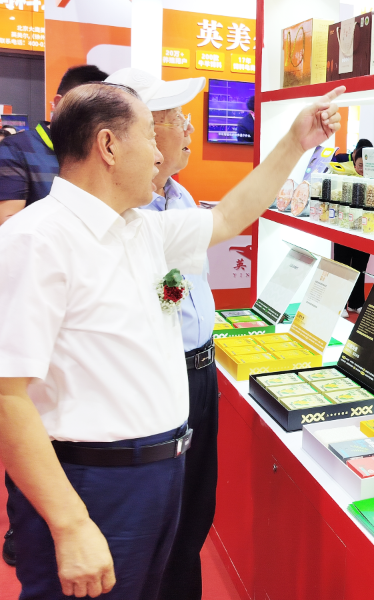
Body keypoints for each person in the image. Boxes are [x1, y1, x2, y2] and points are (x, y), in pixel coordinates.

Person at [0, 81, 344, 600]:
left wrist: (295, 143)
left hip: (158, 472)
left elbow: (228, 217)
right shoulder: (36, 242)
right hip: (92, 482)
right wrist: (71, 523)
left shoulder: (142, 229)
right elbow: (0, 396)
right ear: (108, 145)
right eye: (150, 134)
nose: (158, 152)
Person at [0, 63, 107, 567]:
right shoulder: (17, 150)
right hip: (39, 301)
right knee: (26, 410)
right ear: (57, 103)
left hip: (88, 312)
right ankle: (28, 522)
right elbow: (6, 226)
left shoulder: (105, 151)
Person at [108, 67, 219, 600]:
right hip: (160, 377)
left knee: (195, 510)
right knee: (156, 520)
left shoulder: (180, 197)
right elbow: (160, 298)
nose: (189, 128)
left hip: (201, 369)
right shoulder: (127, 213)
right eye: (175, 120)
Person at [0, 64, 108, 232]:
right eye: (90, 110)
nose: (97, 120)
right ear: (58, 103)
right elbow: (7, 227)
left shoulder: (100, 152)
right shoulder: (13, 150)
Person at [333, 140, 372, 312]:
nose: (362, 169)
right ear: (354, 161)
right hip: (344, 228)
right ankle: (339, 304)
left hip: (364, 229)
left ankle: (356, 303)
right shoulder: (344, 175)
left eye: (367, 166)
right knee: (341, 265)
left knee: (360, 267)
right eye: (360, 165)